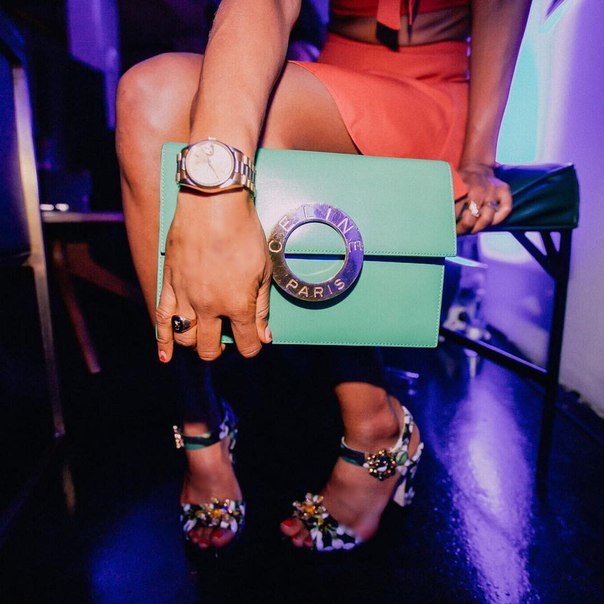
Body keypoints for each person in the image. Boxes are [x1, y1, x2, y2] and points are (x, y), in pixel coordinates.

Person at [115, 0, 531, 552]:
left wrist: (480, 154)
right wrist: (212, 197)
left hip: (431, 89)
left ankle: (375, 425)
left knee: (264, 128)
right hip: (326, 77)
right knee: (147, 94)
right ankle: (201, 422)